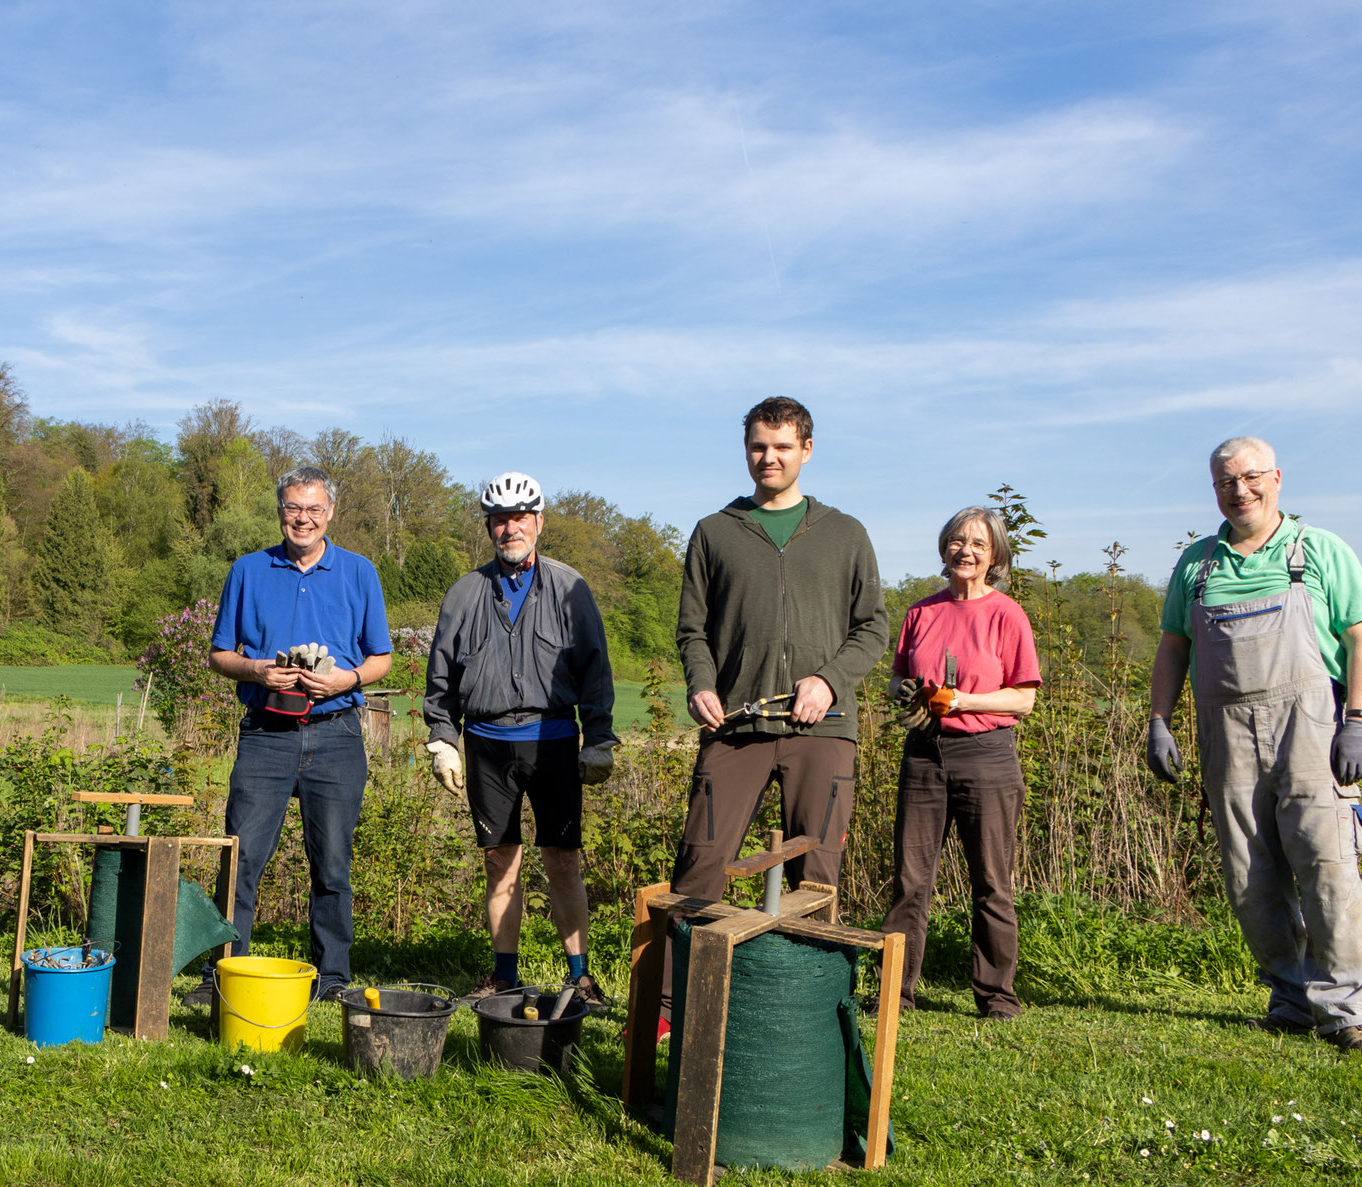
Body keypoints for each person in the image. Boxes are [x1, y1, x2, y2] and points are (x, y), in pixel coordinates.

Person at [1147, 438, 1362, 1055]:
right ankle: (1291, 1001)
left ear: (1276, 478)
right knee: (1249, 875)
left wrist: (1358, 718)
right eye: (1226, 482)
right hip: (1226, 735)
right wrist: (1159, 719)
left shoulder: (1318, 551)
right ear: (1215, 490)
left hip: (1311, 729)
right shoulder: (1198, 564)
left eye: (1251, 478)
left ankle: (1348, 1014)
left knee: (1326, 864)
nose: (1240, 491)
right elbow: (1174, 645)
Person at [663, 396, 889, 1029]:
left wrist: (829, 681)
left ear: (806, 451)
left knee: (815, 873)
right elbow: (692, 630)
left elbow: (873, 627)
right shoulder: (715, 531)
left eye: (783, 447)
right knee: (701, 860)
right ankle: (673, 1008)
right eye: (760, 446)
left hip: (822, 728)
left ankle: (809, 1015)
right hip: (733, 728)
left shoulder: (845, 533)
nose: (770, 458)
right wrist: (700, 684)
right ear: (747, 451)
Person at [192, 465, 393, 1005]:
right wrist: (256, 671)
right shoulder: (248, 571)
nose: (302, 518)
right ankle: (223, 974)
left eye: (313, 508)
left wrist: (346, 679)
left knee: (331, 863)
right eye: (292, 508)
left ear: (330, 513)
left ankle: (332, 979)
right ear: (280, 511)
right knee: (241, 858)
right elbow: (218, 654)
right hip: (266, 735)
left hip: (336, 734)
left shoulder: (359, 572)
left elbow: (382, 658)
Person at [422, 472, 620, 1003]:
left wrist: (598, 737)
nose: (511, 528)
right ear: (489, 526)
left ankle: (579, 974)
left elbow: (595, 668)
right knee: (499, 860)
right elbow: (440, 674)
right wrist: (443, 737)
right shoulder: (465, 592)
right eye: (500, 519)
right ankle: (503, 974)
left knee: (562, 860)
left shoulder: (569, 587)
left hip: (553, 740)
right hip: (486, 743)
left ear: (538, 522)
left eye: (520, 518)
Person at [877, 508, 1040, 1019]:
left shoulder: (1006, 613)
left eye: (978, 543)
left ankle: (997, 998)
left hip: (986, 757)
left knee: (992, 882)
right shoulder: (921, 612)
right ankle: (893, 995)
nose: (965, 550)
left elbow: (1023, 700)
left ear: (995, 556)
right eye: (956, 540)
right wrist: (903, 690)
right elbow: (894, 677)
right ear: (944, 547)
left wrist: (966, 701)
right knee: (910, 881)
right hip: (924, 755)